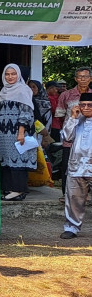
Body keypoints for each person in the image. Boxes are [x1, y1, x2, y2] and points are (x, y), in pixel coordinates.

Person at [0, 64, 36, 201]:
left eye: (13, 74)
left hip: (17, 131)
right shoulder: (4, 90)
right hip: (4, 133)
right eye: (7, 74)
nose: (10, 77)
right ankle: (9, 188)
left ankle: (18, 190)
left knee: (17, 159)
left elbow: (26, 112)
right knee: (7, 159)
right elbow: (0, 113)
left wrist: (21, 132)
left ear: (18, 75)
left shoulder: (23, 90)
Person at [61, 93, 92, 239]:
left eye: (89, 105)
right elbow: (66, 137)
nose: (86, 108)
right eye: (83, 105)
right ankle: (72, 227)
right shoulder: (75, 120)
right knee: (74, 198)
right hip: (76, 166)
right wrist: (72, 117)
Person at [56, 67, 92, 181]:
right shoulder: (66, 95)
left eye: (85, 77)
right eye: (80, 77)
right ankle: (66, 195)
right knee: (67, 167)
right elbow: (60, 116)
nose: (83, 79)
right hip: (70, 140)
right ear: (76, 79)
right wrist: (69, 125)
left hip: (89, 140)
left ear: (90, 79)